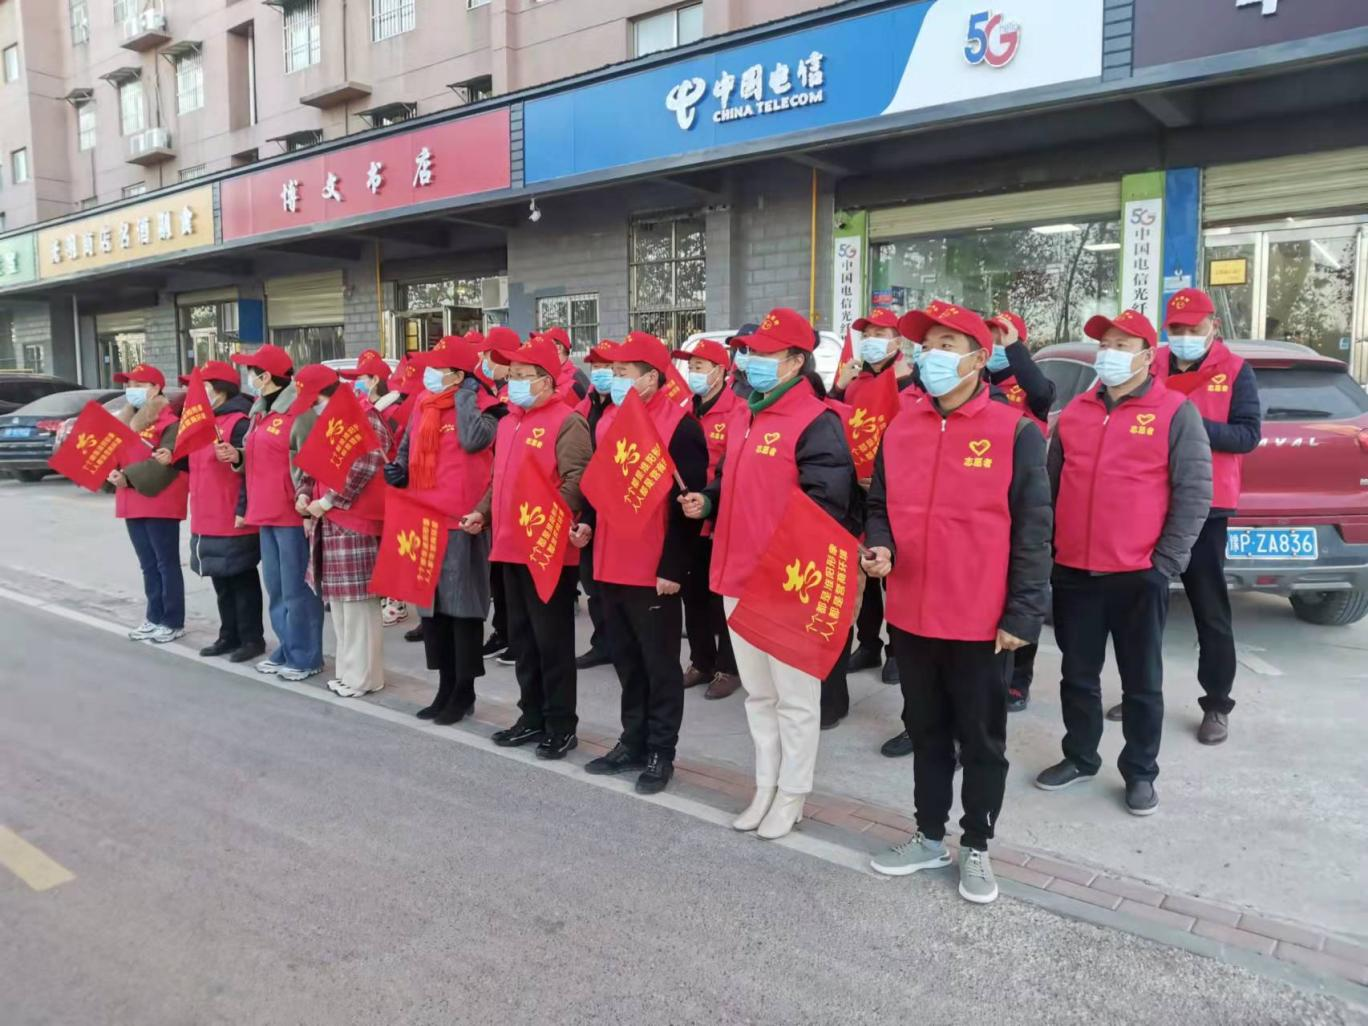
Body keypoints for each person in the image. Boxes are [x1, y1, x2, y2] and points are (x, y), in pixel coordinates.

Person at [861, 301, 1052, 905]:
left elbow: (1034, 531)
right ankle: (927, 836)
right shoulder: (901, 427)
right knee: (926, 731)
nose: (931, 356)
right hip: (912, 613)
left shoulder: (1015, 432)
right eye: (927, 345)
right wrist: (881, 547)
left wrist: (1023, 614)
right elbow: (879, 508)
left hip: (980, 621)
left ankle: (976, 844)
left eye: (946, 344)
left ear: (978, 358)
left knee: (982, 740)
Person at [680, 307, 859, 839]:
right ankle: (765, 787)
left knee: (796, 701)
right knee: (759, 697)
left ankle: (792, 794)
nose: (749, 362)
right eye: (747, 352)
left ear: (795, 361)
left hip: (786, 585)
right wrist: (710, 500)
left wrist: (783, 563)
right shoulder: (744, 415)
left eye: (762, 353)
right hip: (735, 576)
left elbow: (827, 506)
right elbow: (732, 480)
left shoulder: (817, 422)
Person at [1035, 309, 1212, 816]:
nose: (1108, 353)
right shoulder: (1076, 413)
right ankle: (1080, 756)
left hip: (1138, 573)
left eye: (1121, 345)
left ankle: (1140, 772)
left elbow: (1194, 492)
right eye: (1104, 344)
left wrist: (1165, 562)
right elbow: (1051, 486)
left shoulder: (1175, 412)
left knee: (1141, 682)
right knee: (1077, 675)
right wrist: (1051, 550)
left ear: (1147, 355)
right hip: (1075, 571)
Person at [1104, 288, 1260, 745]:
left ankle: (1217, 704)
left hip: (1205, 507)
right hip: (1148, 501)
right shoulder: (1149, 363)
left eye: (1194, 327)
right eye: (1177, 328)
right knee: (1140, 607)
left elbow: (1247, 435)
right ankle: (1139, 692)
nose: (1185, 335)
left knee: (1209, 609)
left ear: (1214, 326)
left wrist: (1186, 424)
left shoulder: (1235, 370)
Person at [580, 332, 708, 793]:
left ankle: (660, 750)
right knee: (626, 661)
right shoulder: (608, 420)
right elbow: (600, 485)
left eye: (623, 372)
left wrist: (673, 567)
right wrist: (586, 523)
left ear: (651, 378)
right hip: (609, 561)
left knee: (659, 666)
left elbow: (689, 506)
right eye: (611, 372)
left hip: (652, 569)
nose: (614, 379)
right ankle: (631, 740)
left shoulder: (681, 428)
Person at [467, 335, 592, 759]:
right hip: (508, 547)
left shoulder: (567, 421)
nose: (514, 382)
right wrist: (482, 512)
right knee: (523, 639)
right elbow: (498, 480)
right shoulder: (508, 422)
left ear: (545, 380)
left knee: (551, 641)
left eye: (523, 375)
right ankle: (531, 716)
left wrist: (548, 525)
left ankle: (561, 724)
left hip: (546, 551)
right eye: (513, 374)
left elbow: (577, 481)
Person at [385, 338, 503, 722]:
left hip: (462, 522)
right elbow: (408, 444)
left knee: (461, 608)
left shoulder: (487, 407)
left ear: (457, 373)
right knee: (433, 611)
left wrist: (465, 393)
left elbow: (472, 440)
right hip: (424, 519)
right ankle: (444, 686)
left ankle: (464, 691)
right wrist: (399, 469)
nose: (429, 375)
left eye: (437, 369)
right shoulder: (424, 402)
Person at [832, 309, 919, 689]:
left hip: (892, 492)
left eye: (879, 334)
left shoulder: (910, 383)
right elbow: (833, 420)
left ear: (897, 342)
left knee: (891, 573)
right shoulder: (855, 380)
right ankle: (868, 643)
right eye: (866, 333)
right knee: (862, 568)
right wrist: (838, 388)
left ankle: (898, 651)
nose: (870, 340)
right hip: (854, 491)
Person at [229, 343, 325, 683]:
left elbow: (313, 464)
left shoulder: (299, 414)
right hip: (264, 511)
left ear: (266, 376)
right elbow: (259, 456)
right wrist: (238, 457)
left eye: (251, 371)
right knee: (276, 587)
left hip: (291, 514)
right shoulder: (259, 411)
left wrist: (307, 508)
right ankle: (286, 647)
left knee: (298, 589)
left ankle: (307, 655)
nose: (248, 376)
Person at [982, 311, 1056, 713]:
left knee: (1023, 593)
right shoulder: (974, 384)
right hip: (982, 501)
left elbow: (1041, 391)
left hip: (1023, 502)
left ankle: (1019, 679)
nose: (995, 344)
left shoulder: (1030, 391)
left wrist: (1013, 349)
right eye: (989, 337)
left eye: (1003, 337)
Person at [183, 361, 265, 663]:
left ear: (219, 390)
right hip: (206, 514)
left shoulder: (239, 423)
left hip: (232, 514)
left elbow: (250, 471)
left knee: (242, 580)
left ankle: (251, 638)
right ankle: (228, 635)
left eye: (203, 387)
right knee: (220, 581)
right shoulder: (201, 423)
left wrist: (244, 508)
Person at [676, 337, 742, 700]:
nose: (693, 373)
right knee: (694, 594)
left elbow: (734, 470)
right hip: (689, 516)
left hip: (721, 518)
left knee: (722, 598)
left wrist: (714, 505)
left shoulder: (738, 411)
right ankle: (701, 661)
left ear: (720, 371)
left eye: (700, 367)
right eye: (691, 367)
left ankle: (728, 667)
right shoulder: (684, 408)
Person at [109, 363, 189, 645]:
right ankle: (153, 616)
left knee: (166, 563)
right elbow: (114, 456)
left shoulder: (170, 423)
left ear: (155, 389)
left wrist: (128, 477)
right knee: (148, 564)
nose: (131, 390)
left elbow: (165, 464)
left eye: (138, 385)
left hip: (160, 500)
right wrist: (111, 473)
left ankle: (173, 620)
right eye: (128, 385)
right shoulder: (124, 422)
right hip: (131, 501)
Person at [341, 349, 409, 630]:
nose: (357, 384)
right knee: (379, 548)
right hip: (372, 490)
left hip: (390, 486)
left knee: (391, 547)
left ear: (375, 380)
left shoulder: (392, 410)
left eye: (362, 378)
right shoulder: (365, 407)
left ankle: (397, 601)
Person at [571, 340, 620, 672]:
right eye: (596, 366)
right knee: (591, 580)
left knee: (613, 583)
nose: (600, 372)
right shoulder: (585, 405)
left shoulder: (626, 407)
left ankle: (620, 643)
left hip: (615, 503)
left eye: (608, 367)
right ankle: (603, 642)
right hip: (587, 501)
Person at [475, 326, 521, 664]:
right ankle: (503, 631)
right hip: (496, 494)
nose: (483, 363)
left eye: (488, 356)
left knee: (511, 580)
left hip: (518, 501)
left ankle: (515, 636)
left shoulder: (511, 398)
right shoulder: (496, 392)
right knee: (499, 577)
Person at [542, 325, 590, 404]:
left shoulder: (576, 375)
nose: (542, 349)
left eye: (546, 344)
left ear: (559, 348)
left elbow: (590, 405)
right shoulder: (548, 375)